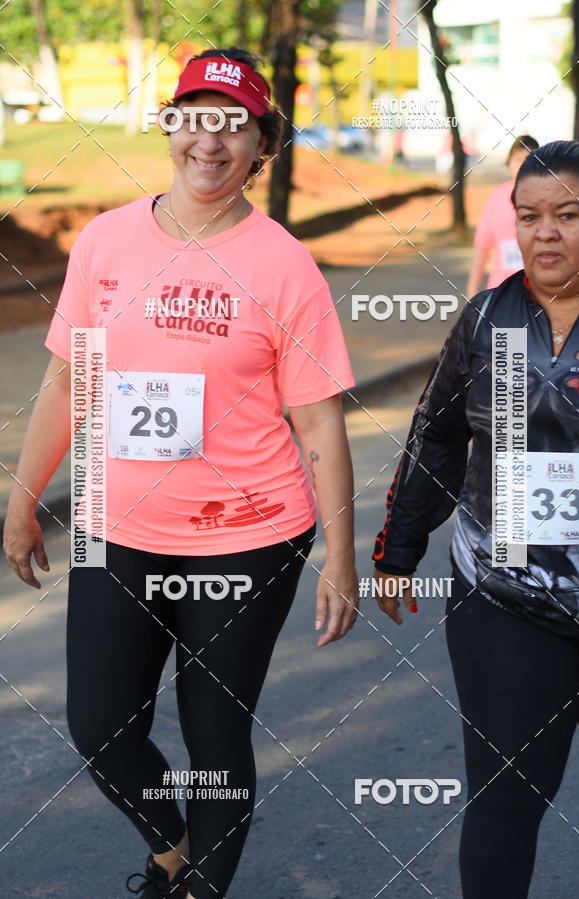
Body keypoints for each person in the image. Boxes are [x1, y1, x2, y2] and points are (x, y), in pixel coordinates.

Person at [3, 47, 359, 899]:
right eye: (196, 116)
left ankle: (197, 887)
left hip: (249, 535)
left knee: (214, 733)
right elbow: (68, 379)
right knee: (100, 726)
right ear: (171, 126)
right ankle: (172, 843)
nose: (212, 139)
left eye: (233, 123)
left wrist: (341, 556)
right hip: (117, 525)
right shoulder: (106, 241)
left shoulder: (283, 263)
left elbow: (318, 418)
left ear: (259, 143)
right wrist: (22, 502)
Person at [372, 140, 579, 898]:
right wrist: (397, 549)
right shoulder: (486, 319)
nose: (546, 232)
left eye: (569, 214)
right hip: (503, 593)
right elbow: (436, 431)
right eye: (530, 216)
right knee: (505, 795)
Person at [466, 134, 539, 298]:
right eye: (518, 159)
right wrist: (473, 289)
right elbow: (482, 245)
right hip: (502, 291)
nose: (523, 165)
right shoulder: (497, 196)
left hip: (539, 293)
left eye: (529, 159)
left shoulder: (548, 198)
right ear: (508, 163)